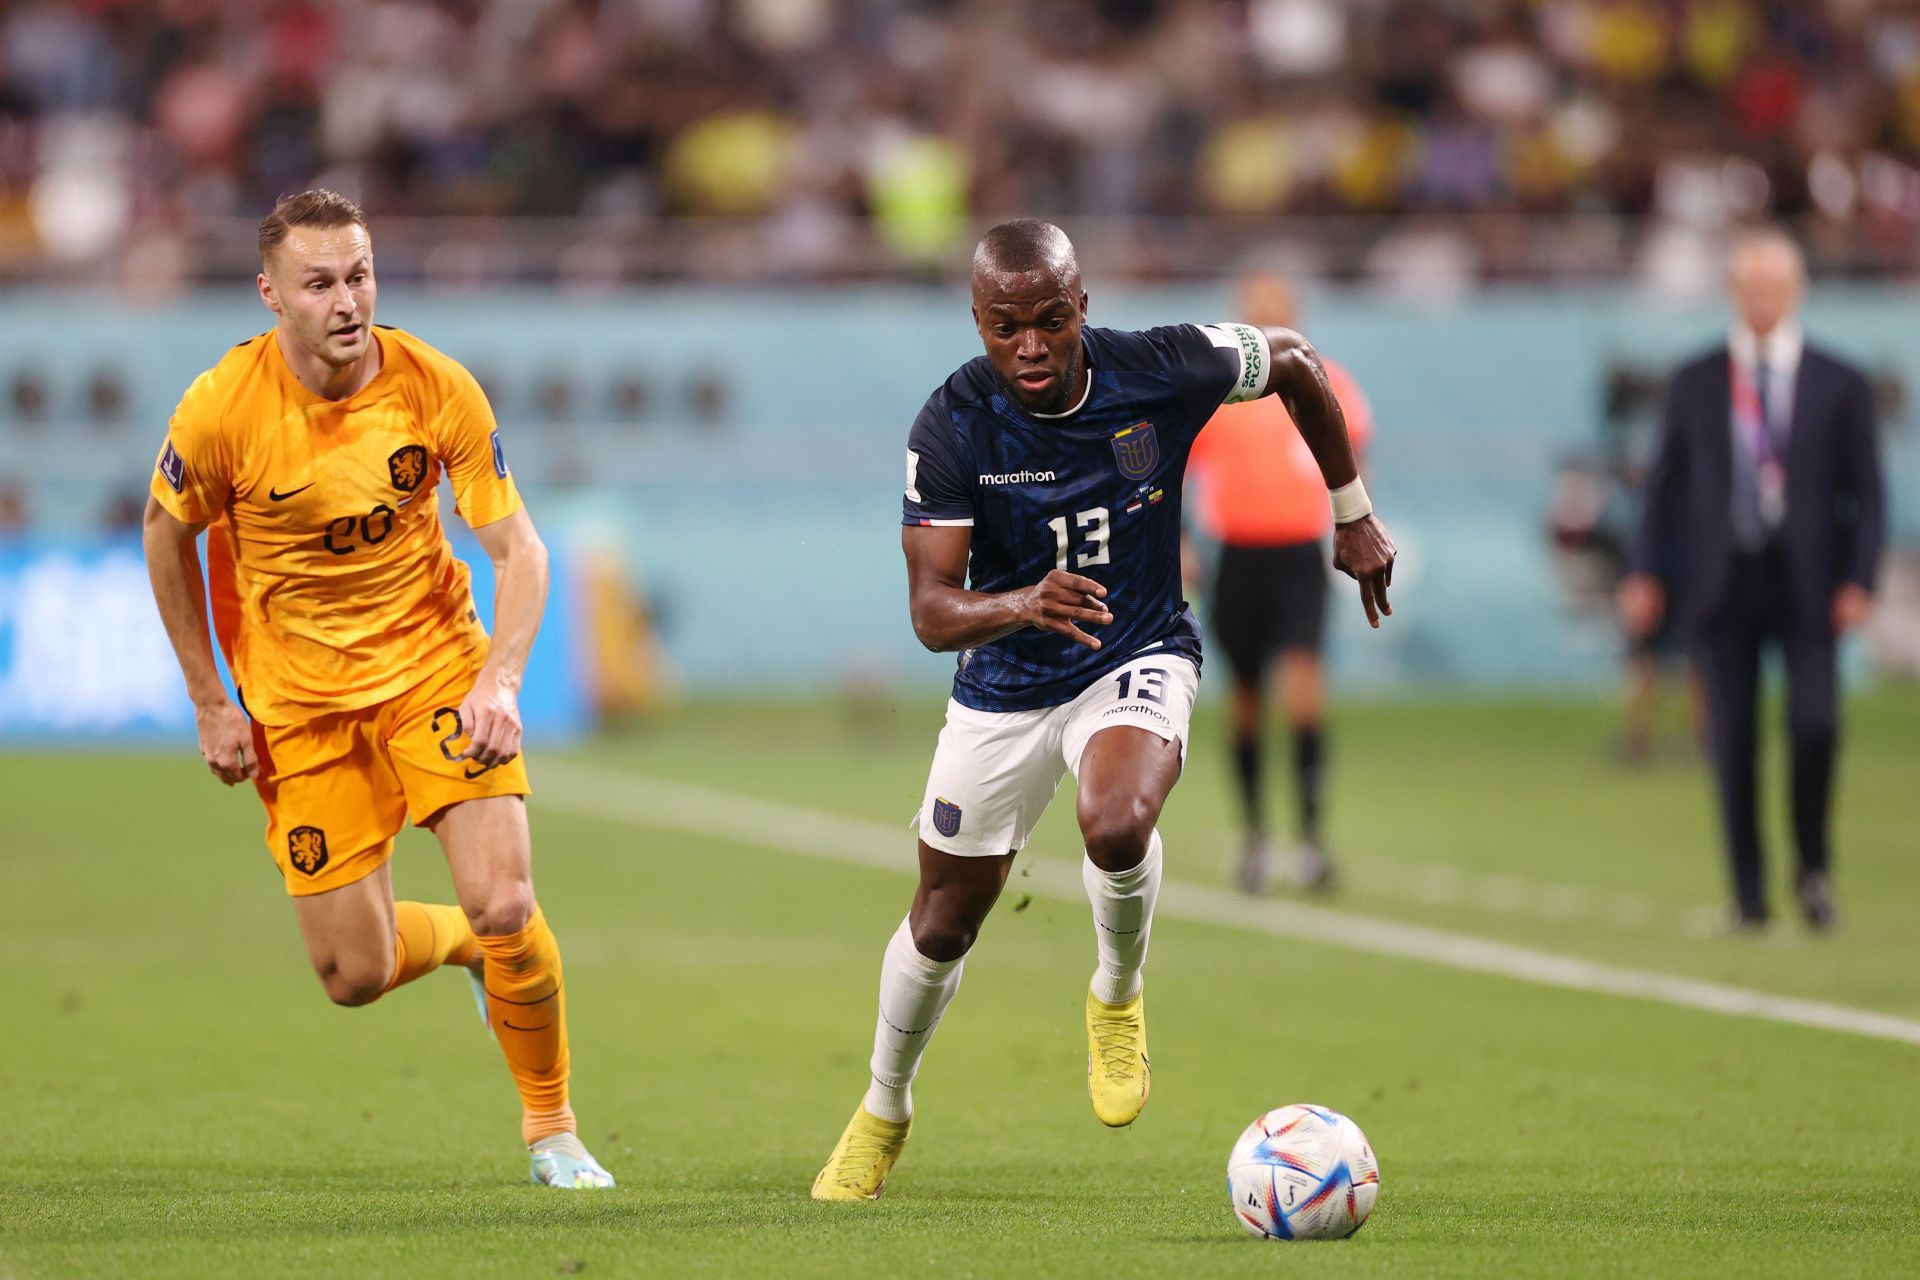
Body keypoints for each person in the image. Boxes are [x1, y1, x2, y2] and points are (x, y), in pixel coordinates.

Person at [811, 219, 1396, 1200]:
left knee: (1116, 820)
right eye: (1006, 327)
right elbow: (928, 612)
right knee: (946, 917)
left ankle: (1116, 995)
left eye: (1050, 320)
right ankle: (884, 1105)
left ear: (1083, 309)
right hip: (1003, 683)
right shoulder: (951, 425)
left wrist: (1353, 509)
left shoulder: (1161, 369)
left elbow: (1294, 360)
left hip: (1135, 647)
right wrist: (1020, 602)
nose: (1030, 345)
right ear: (978, 322)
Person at [141, 190, 614, 1188]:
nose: (347, 299)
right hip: (299, 705)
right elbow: (164, 532)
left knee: (507, 898)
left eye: (359, 274)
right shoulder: (222, 408)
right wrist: (209, 699)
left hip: (434, 666)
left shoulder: (434, 384)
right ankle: (466, 955)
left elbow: (520, 548)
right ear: (272, 293)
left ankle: (553, 1125)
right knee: (352, 973)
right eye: (320, 282)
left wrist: (503, 679)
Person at [1620, 227, 1884, 932]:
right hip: (1723, 578)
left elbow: (1868, 491)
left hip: (1810, 582)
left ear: (1796, 292)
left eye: (1776, 286)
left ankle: (1813, 867)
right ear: (1733, 292)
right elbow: (1663, 486)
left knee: (1816, 723)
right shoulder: (1696, 379)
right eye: (1752, 286)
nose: (1764, 299)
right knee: (1732, 737)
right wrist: (1645, 570)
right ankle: (1748, 891)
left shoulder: (1840, 381)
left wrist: (1860, 578)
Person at [1185, 273, 1374, 893]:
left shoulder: (1325, 382)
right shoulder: (1215, 393)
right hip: (1237, 557)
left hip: (1299, 557)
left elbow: (1354, 457)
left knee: (1303, 693)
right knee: (1244, 700)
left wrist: (1354, 521)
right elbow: (1172, 471)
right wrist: (1181, 541)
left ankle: (1313, 839)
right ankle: (1256, 838)